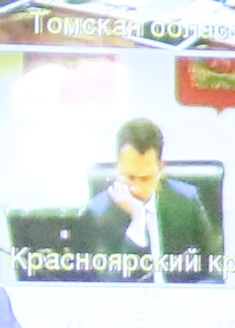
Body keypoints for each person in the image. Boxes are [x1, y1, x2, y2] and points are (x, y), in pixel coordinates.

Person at [80, 117, 221, 282]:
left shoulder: (187, 201)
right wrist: (137, 221)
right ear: (118, 168)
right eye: (129, 177)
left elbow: (216, 271)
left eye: (145, 178)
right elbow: (107, 284)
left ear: (160, 169)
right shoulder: (98, 213)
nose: (136, 188)